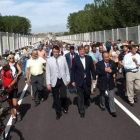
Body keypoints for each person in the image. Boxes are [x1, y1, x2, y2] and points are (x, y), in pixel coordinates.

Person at [46, 45, 70, 120]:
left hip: (62, 79)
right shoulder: (49, 60)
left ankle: (64, 107)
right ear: (52, 52)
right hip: (54, 80)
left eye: (57, 52)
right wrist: (48, 83)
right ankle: (58, 112)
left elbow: (66, 69)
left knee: (63, 95)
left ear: (59, 51)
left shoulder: (63, 58)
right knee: (56, 97)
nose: (55, 53)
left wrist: (68, 79)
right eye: (54, 52)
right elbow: (48, 72)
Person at [71, 46, 96, 118]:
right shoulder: (75, 59)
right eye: (80, 51)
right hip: (79, 80)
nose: (82, 52)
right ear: (78, 51)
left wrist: (94, 77)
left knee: (87, 93)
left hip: (87, 79)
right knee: (80, 96)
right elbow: (73, 71)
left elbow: (92, 69)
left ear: (85, 51)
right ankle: (81, 111)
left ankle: (86, 101)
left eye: (83, 51)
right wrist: (73, 80)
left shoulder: (89, 58)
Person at [0, 59, 22, 125]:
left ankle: (18, 112)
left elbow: (15, 79)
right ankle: (13, 116)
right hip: (5, 89)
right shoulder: (1, 69)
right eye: (3, 66)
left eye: (5, 66)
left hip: (13, 88)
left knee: (15, 104)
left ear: (7, 64)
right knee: (10, 103)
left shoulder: (12, 69)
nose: (5, 68)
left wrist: (9, 86)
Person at [96, 51, 117, 117]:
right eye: (105, 57)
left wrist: (112, 71)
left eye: (108, 57)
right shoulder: (99, 64)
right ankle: (102, 105)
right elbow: (97, 72)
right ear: (103, 57)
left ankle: (113, 110)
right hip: (102, 82)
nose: (107, 58)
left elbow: (115, 71)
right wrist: (104, 70)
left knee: (111, 97)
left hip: (110, 82)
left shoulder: (112, 63)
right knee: (102, 95)